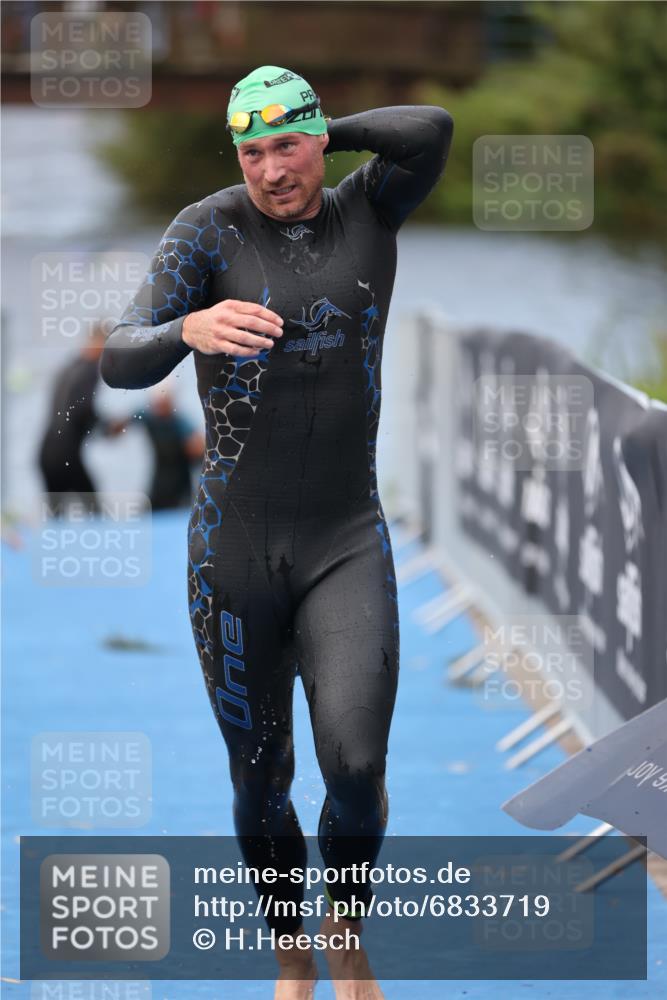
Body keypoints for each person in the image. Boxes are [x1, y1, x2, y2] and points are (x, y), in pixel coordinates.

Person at [101, 64, 452, 1000]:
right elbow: (120, 360)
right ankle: (291, 951)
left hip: (345, 541)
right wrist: (188, 326)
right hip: (233, 554)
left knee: (356, 765)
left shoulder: (369, 208)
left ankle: (345, 929)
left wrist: (331, 128)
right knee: (260, 779)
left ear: (320, 139)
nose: (270, 170)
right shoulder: (206, 230)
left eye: (286, 145)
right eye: (250, 152)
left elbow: (430, 126)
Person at [37, 325, 110, 515]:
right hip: (66, 455)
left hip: (47, 452)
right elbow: (81, 411)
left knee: (56, 516)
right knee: (95, 512)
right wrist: (107, 427)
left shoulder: (69, 366)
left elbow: (67, 409)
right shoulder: (89, 370)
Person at [125, 383, 205, 510]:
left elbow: (199, 447)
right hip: (159, 480)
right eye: (157, 403)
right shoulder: (148, 416)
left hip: (181, 484)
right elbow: (121, 423)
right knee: (152, 510)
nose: (160, 407)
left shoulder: (180, 423)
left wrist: (195, 448)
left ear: (171, 402)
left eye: (164, 403)